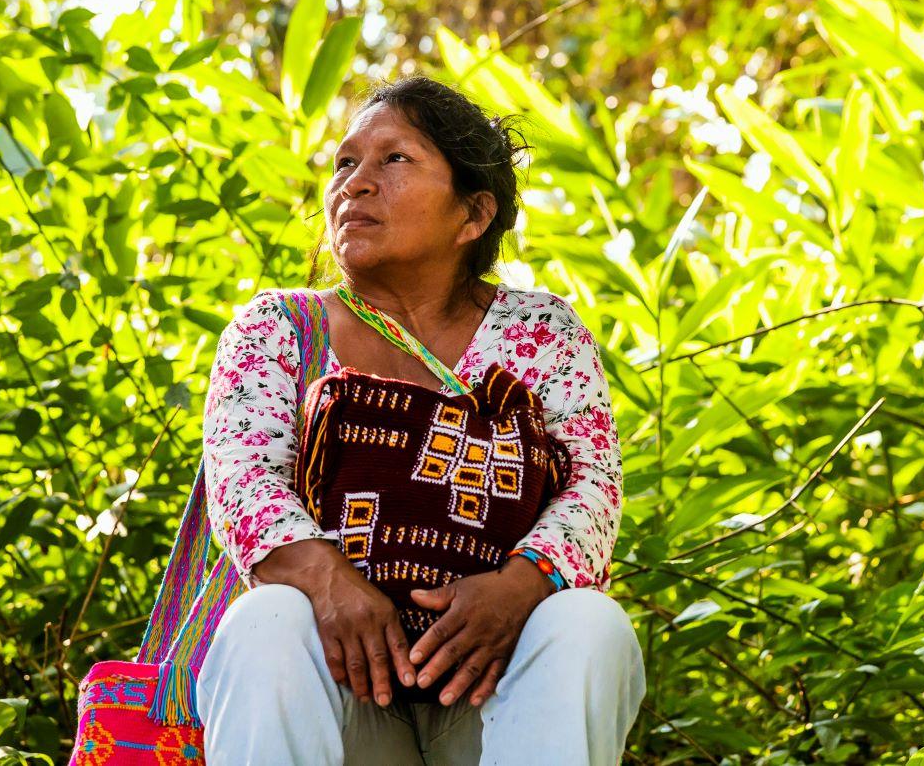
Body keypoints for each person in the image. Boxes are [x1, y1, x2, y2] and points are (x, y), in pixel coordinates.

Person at [195, 77, 645, 765]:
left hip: (496, 694)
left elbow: (592, 488)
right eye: (346, 163)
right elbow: (244, 483)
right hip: (338, 695)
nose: (356, 184)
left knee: (589, 624)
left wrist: (518, 586)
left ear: (473, 214)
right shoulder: (279, 328)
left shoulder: (543, 331)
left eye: (393, 160)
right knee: (267, 620)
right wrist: (329, 582)